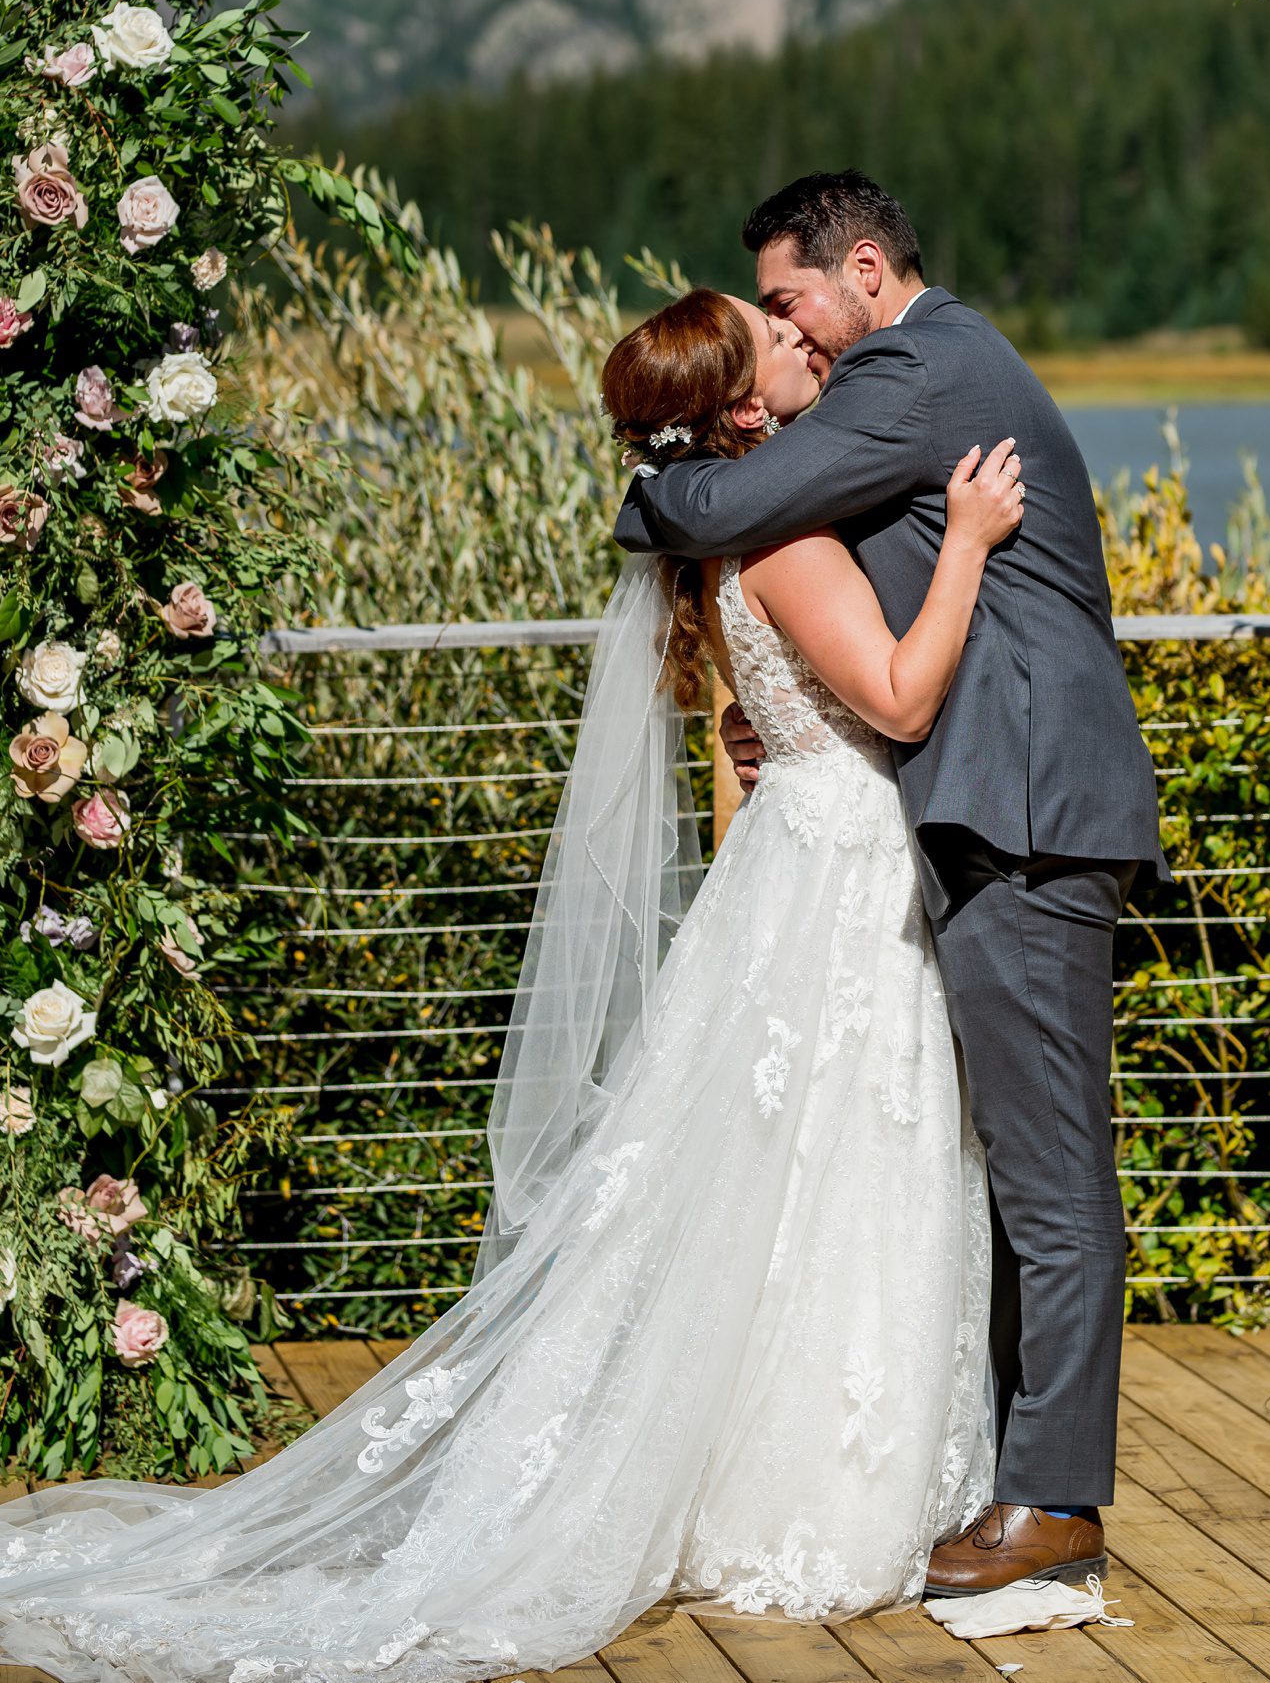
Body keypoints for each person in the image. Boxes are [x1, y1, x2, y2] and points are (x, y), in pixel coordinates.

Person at [0, 286, 1026, 1683]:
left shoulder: (720, 535)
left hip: (797, 860)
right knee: (847, 1163)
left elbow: (781, 714)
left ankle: (762, 1476)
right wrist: (966, 543)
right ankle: (818, 1502)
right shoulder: (781, 530)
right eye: (776, 336)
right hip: (842, 878)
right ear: (738, 404)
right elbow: (900, 700)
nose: (804, 342)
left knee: (786, 1178)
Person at [616, 172, 1170, 1597]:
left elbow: (740, 500)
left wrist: (647, 484)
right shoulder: (935, 363)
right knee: (1006, 1172)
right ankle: (1010, 1473)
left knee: (1049, 1177)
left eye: (793, 297)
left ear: (864, 270)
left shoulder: (913, 368)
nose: (795, 328)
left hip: (1025, 808)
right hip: (988, 807)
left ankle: (1053, 1502)